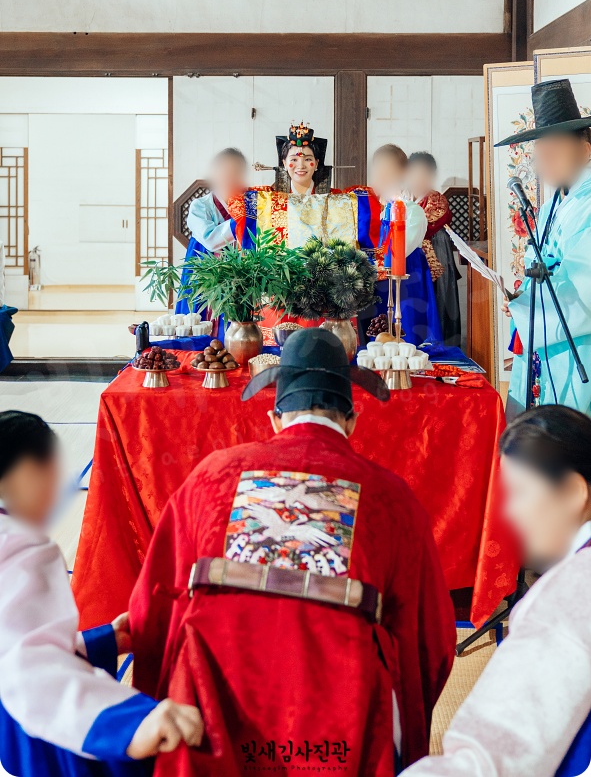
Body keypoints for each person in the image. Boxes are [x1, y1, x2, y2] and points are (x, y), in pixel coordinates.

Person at [129, 328, 456, 776]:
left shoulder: (212, 476)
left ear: (274, 418)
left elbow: (152, 604)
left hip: (213, 710)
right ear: (351, 421)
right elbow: (430, 640)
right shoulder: (392, 499)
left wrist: (155, 704)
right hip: (342, 725)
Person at [0, 410, 204, 777]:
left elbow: (11, 641)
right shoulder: (22, 549)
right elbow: (27, 668)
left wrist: (102, 641)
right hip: (45, 720)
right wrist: (130, 722)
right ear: (28, 472)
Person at [405, 404, 591, 777]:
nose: (508, 512)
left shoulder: (569, 595)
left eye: (519, 492)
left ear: (572, 492)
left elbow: (489, 760)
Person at [499, 80, 591, 417]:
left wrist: (526, 308)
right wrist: (520, 300)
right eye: (541, 153)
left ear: (585, 151)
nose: (544, 162)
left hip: (578, 347)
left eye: (554, 151)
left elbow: (583, 288)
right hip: (547, 343)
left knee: (567, 432)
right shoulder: (556, 201)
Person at [361, 144, 442, 346]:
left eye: (389, 171)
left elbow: (399, 250)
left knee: (407, 337)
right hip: (374, 287)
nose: (382, 177)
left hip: (406, 284)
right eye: (379, 171)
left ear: (403, 174)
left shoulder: (413, 212)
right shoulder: (368, 210)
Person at [176, 147, 248, 321]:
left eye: (236, 172)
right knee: (200, 322)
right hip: (205, 276)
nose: (230, 177)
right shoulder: (200, 206)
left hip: (237, 277)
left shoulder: (247, 203)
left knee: (237, 324)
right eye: (225, 171)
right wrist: (242, 220)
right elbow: (210, 239)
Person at [406, 152, 461, 347]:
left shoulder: (437, 200)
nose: (419, 178)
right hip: (411, 258)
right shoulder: (404, 198)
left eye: (424, 173)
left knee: (438, 300)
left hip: (437, 253)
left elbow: (422, 226)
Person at [274, 122, 333, 195]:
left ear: (316, 163)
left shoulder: (334, 197)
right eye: (294, 159)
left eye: (307, 159)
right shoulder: (268, 197)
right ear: (285, 163)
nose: (301, 166)